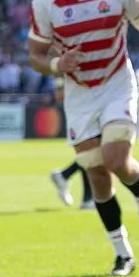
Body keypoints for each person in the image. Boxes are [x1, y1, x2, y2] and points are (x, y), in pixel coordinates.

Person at [27, 0, 139, 277]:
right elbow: (35, 55)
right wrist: (60, 67)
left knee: (116, 160)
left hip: (117, 84)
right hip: (79, 97)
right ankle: (123, 253)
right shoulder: (47, 2)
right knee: (97, 176)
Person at [49, 69, 93, 209]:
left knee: (93, 148)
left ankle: (65, 176)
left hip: (92, 94)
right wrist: (59, 86)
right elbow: (55, 54)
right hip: (81, 96)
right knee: (91, 147)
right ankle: (86, 198)